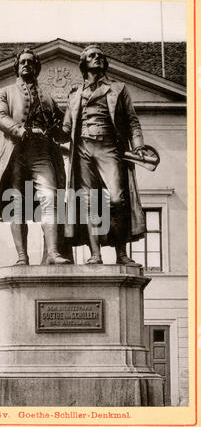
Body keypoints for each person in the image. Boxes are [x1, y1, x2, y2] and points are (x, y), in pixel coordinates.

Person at [62, 44, 146, 265]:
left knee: (118, 200)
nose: (97, 58)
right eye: (92, 56)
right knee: (89, 202)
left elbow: (132, 120)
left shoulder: (118, 88)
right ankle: (95, 254)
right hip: (82, 150)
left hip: (109, 147)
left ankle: (121, 254)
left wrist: (138, 145)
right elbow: (65, 128)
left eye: (100, 56)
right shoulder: (74, 94)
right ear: (84, 63)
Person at [0, 48, 70, 265]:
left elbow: (62, 130)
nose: (26, 65)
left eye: (30, 62)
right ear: (17, 67)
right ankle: (21, 257)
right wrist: (21, 131)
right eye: (23, 62)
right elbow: (0, 118)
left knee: (50, 197)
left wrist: (74, 106)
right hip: (15, 153)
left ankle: (53, 252)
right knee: (16, 203)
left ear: (36, 68)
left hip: (42, 153)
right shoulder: (4, 92)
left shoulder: (48, 97)